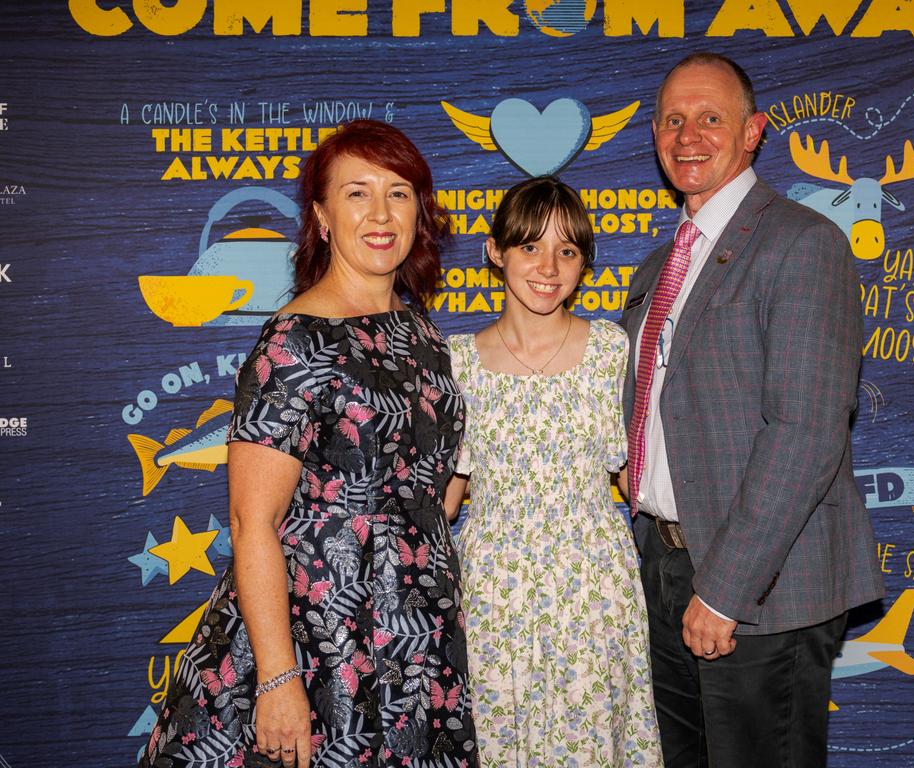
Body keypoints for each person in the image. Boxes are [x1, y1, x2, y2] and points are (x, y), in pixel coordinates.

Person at [141, 120, 478, 768]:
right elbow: (253, 520)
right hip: (321, 633)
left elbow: (435, 502)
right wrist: (278, 678)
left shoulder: (426, 338)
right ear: (322, 217)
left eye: (399, 192)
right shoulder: (295, 342)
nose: (380, 214)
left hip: (417, 635)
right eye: (357, 194)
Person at [620, 53, 885, 768]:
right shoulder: (657, 269)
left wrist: (726, 590)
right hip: (665, 566)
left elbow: (805, 431)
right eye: (673, 120)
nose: (688, 135)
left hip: (761, 585)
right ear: (654, 135)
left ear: (752, 132)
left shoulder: (802, 243)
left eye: (711, 117)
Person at [444, 177, 663, 767]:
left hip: (592, 587)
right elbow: (445, 498)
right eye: (530, 246)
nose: (548, 266)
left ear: (584, 262)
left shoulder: (611, 352)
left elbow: (635, 476)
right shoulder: (455, 361)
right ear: (496, 252)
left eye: (567, 250)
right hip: (493, 589)